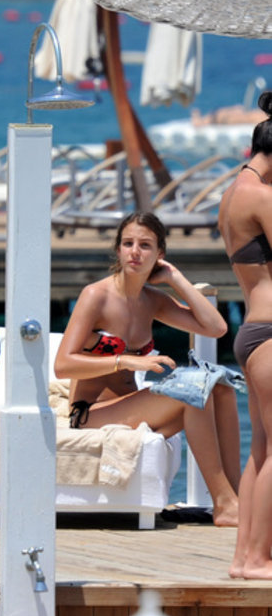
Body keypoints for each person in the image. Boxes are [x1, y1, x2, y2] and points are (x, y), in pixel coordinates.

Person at [54, 211, 241, 527]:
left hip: (130, 407)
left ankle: (235, 498)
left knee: (220, 389)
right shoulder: (96, 296)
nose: (135, 252)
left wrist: (175, 278)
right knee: (190, 395)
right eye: (127, 244)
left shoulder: (152, 299)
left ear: (159, 254)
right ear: (118, 250)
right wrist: (126, 360)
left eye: (145, 245)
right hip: (91, 414)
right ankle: (224, 503)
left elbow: (216, 328)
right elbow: (63, 365)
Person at [219, 89, 272, 577]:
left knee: (262, 450)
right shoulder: (262, 197)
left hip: (253, 329)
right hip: (271, 334)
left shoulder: (232, 194)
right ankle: (259, 557)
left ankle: (244, 558)